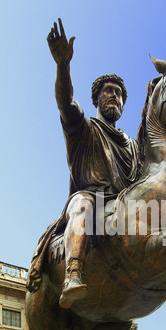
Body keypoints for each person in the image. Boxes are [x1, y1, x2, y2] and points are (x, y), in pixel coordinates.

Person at [44, 18, 141, 309]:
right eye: (109, 91)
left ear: (123, 105)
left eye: (120, 94)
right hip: (91, 202)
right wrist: (63, 65)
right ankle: (73, 271)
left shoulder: (134, 147)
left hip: (124, 207)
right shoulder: (83, 128)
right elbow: (65, 100)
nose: (115, 96)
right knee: (82, 204)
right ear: (98, 99)